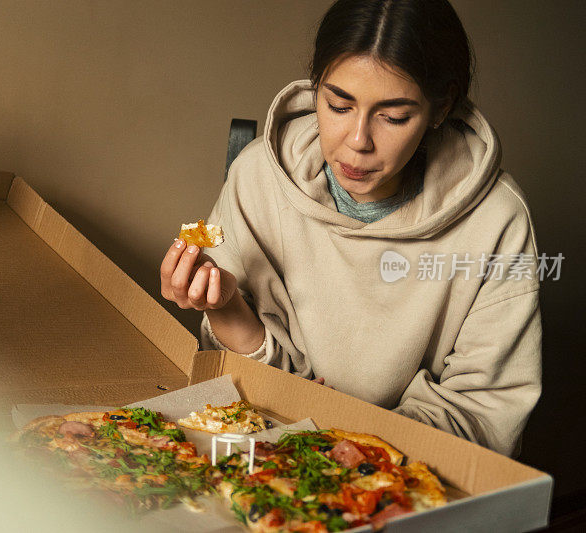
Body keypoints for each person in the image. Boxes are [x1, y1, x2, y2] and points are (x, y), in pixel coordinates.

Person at [159, 0, 541, 458]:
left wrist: (347, 443)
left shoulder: (498, 220)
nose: (357, 141)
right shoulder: (258, 175)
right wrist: (226, 310)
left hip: (405, 476)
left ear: (440, 108)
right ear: (315, 87)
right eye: (338, 105)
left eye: (394, 117)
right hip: (261, 456)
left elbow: (484, 412)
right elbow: (237, 391)